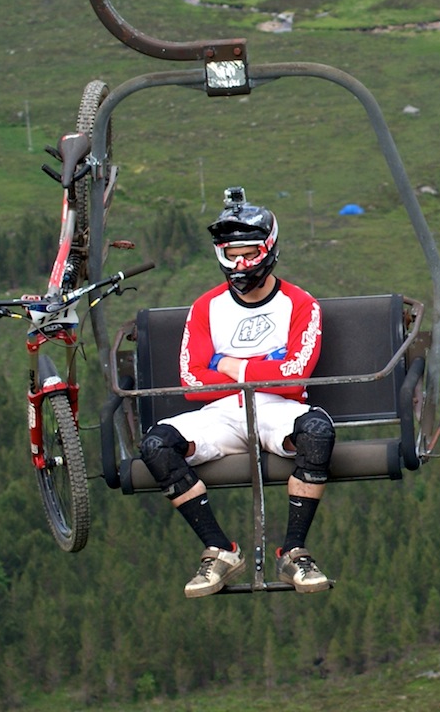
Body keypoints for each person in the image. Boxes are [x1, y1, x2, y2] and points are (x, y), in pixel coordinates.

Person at [137, 188, 334, 598]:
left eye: (249, 254)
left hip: (278, 410)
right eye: (231, 255)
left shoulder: (300, 304)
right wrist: (266, 365)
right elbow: (192, 381)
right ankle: (219, 551)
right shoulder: (206, 307)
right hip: (222, 413)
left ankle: (294, 551)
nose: (240, 265)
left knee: (317, 431)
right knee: (157, 444)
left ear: (269, 250)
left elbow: (294, 379)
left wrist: (229, 364)